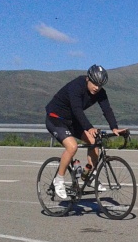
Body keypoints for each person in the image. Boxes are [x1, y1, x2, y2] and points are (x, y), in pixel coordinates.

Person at [45, 64, 126, 198]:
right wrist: (89, 127)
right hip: (56, 119)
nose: (97, 87)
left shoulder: (100, 92)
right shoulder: (76, 86)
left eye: (100, 85)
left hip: (72, 121)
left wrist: (114, 127)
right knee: (72, 147)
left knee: (94, 142)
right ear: (88, 78)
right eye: (94, 83)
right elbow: (77, 110)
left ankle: (88, 176)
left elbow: (107, 110)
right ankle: (58, 179)